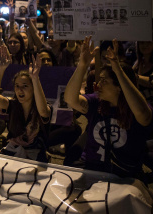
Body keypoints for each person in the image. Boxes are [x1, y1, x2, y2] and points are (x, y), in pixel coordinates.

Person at [64, 37, 152, 178]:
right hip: (91, 169)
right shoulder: (96, 102)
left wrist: (118, 70)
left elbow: (145, 116)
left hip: (123, 175)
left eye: (104, 81)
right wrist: (82, 65)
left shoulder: (137, 107)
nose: (98, 85)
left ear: (119, 87)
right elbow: (70, 99)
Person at [0, 44, 51, 161]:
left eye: (25, 86)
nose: (20, 90)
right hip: (13, 151)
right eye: (17, 86)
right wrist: (1, 69)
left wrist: (35, 78)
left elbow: (43, 111)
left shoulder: (42, 106)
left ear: (33, 88)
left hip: (35, 155)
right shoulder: (11, 104)